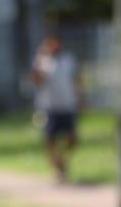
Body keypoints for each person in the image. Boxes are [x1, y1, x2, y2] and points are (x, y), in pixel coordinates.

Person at [30, 35, 82, 183]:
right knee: (50, 141)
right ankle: (58, 169)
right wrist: (39, 64)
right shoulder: (42, 61)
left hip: (68, 104)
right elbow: (37, 82)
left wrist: (81, 98)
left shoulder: (69, 59)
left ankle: (62, 161)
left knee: (73, 139)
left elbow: (77, 78)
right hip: (49, 107)